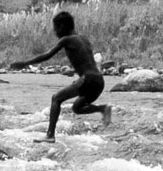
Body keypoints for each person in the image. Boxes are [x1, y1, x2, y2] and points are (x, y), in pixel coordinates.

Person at [11, 10, 112, 140]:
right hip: (99, 81)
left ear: (62, 27)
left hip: (89, 79)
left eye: (55, 29)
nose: (55, 32)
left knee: (56, 98)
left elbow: (47, 55)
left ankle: (50, 135)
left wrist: (25, 63)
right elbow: (84, 59)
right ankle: (102, 109)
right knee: (76, 108)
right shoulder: (84, 39)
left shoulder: (66, 39)